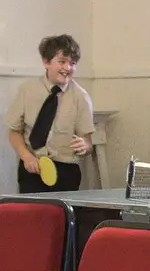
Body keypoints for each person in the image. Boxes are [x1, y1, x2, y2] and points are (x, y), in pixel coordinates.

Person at [6, 34, 95, 194]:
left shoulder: (81, 97)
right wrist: (27, 157)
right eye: (62, 61)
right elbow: (14, 132)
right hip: (33, 167)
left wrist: (85, 145)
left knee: (62, 216)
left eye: (72, 63)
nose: (67, 68)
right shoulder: (27, 90)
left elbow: (87, 142)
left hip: (65, 169)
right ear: (46, 62)